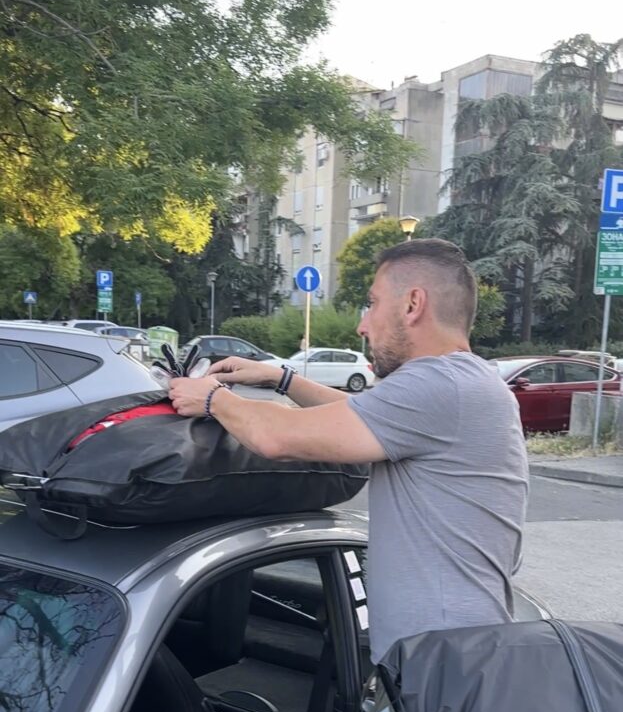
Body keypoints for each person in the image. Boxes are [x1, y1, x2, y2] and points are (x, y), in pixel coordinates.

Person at [170, 238, 528, 665]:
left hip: (446, 668)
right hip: (449, 657)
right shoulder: (461, 383)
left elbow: (278, 438)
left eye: (372, 304)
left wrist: (212, 398)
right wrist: (280, 379)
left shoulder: (441, 384)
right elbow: (359, 413)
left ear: (413, 304)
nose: (362, 325)